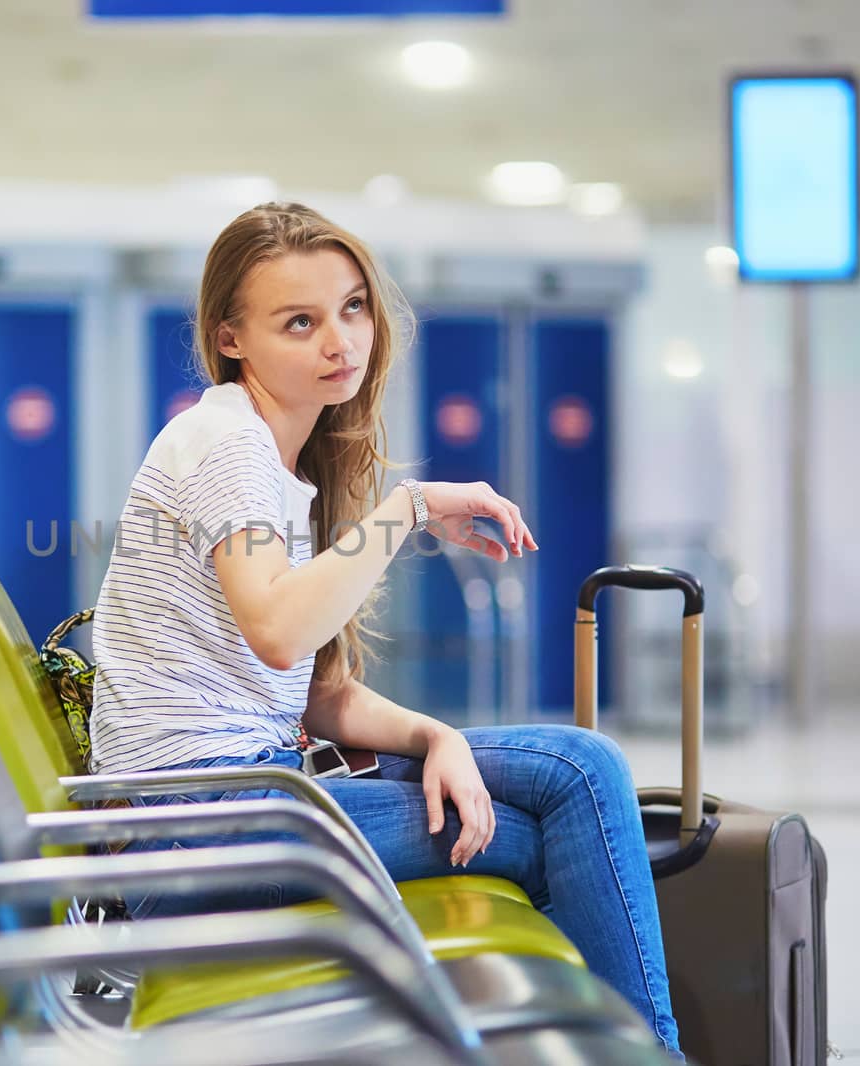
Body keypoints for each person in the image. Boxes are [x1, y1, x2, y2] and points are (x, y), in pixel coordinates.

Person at [88, 201, 681, 1058]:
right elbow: (281, 632)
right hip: (195, 831)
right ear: (231, 339)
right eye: (301, 322)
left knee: (581, 767)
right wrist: (406, 510)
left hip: (243, 802)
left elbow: (315, 690)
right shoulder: (225, 443)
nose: (341, 342)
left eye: (353, 307)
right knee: (551, 826)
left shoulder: (275, 458)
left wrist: (437, 735)